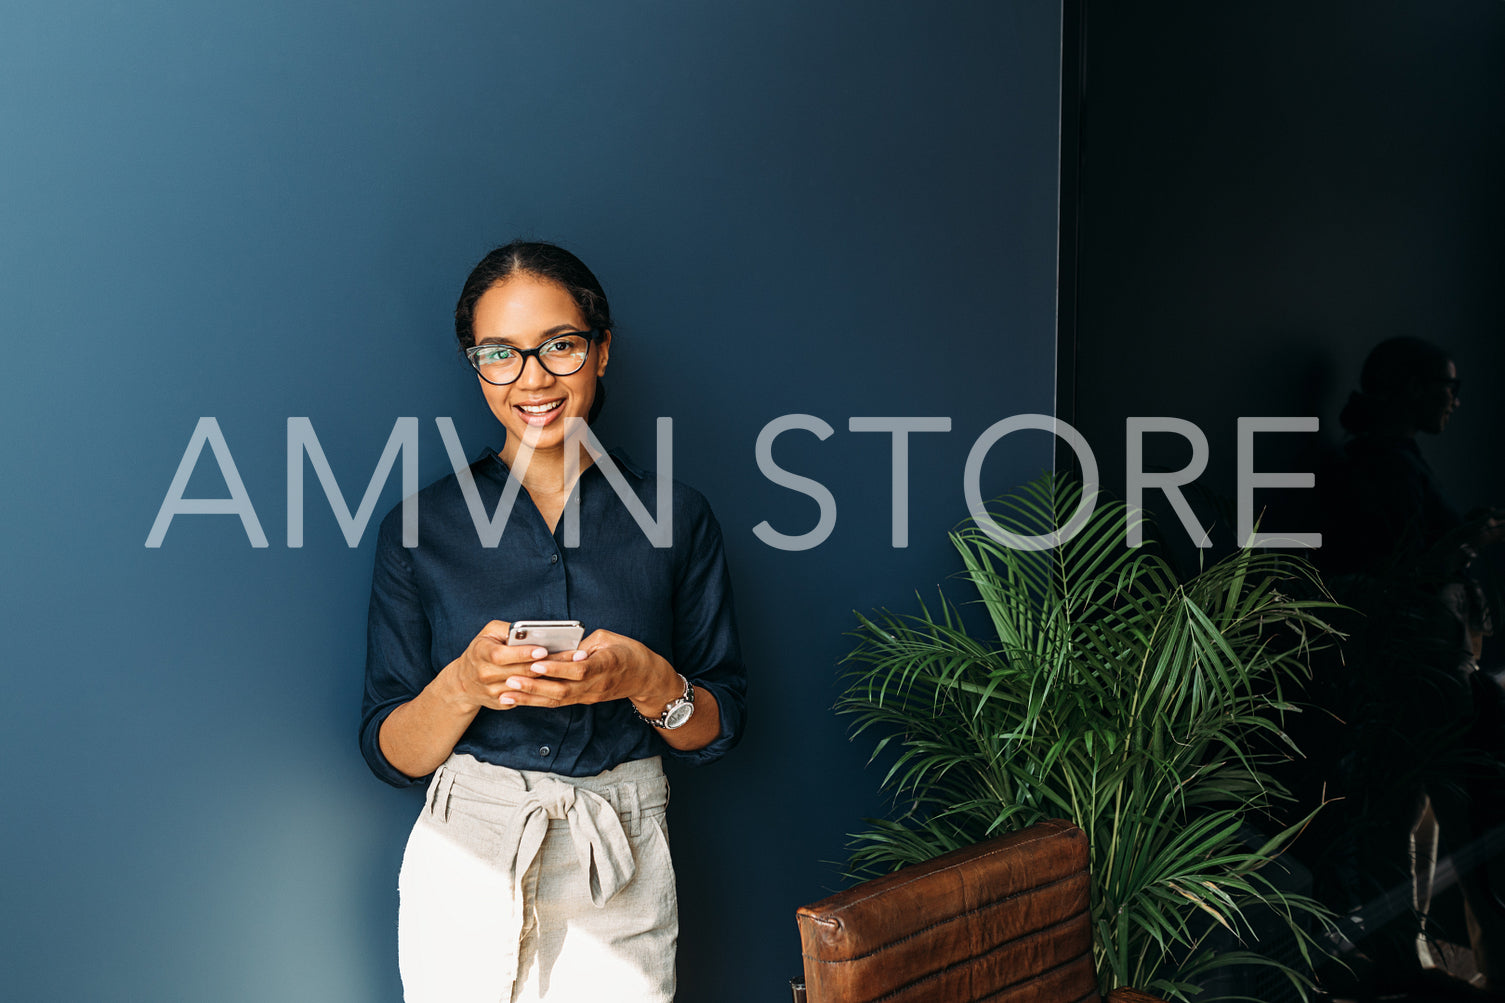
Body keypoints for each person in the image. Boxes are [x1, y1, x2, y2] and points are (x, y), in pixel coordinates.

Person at [359, 240, 747, 1002]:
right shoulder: (419, 526)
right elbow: (390, 751)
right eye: (499, 353)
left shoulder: (677, 516)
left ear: (600, 351)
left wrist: (647, 679)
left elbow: (719, 726)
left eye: (559, 346)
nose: (532, 378)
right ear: (476, 366)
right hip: (466, 848)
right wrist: (465, 683)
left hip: (621, 850)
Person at [1313, 336, 1505, 996]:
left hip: (1417, 682)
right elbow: (1384, 580)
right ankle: (1435, 970)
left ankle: (1425, 968)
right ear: (1405, 389)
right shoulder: (1372, 468)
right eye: (1444, 384)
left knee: (1415, 833)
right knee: (1440, 831)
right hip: (1412, 684)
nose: (1454, 398)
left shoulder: (1394, 460)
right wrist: (1464, 542)